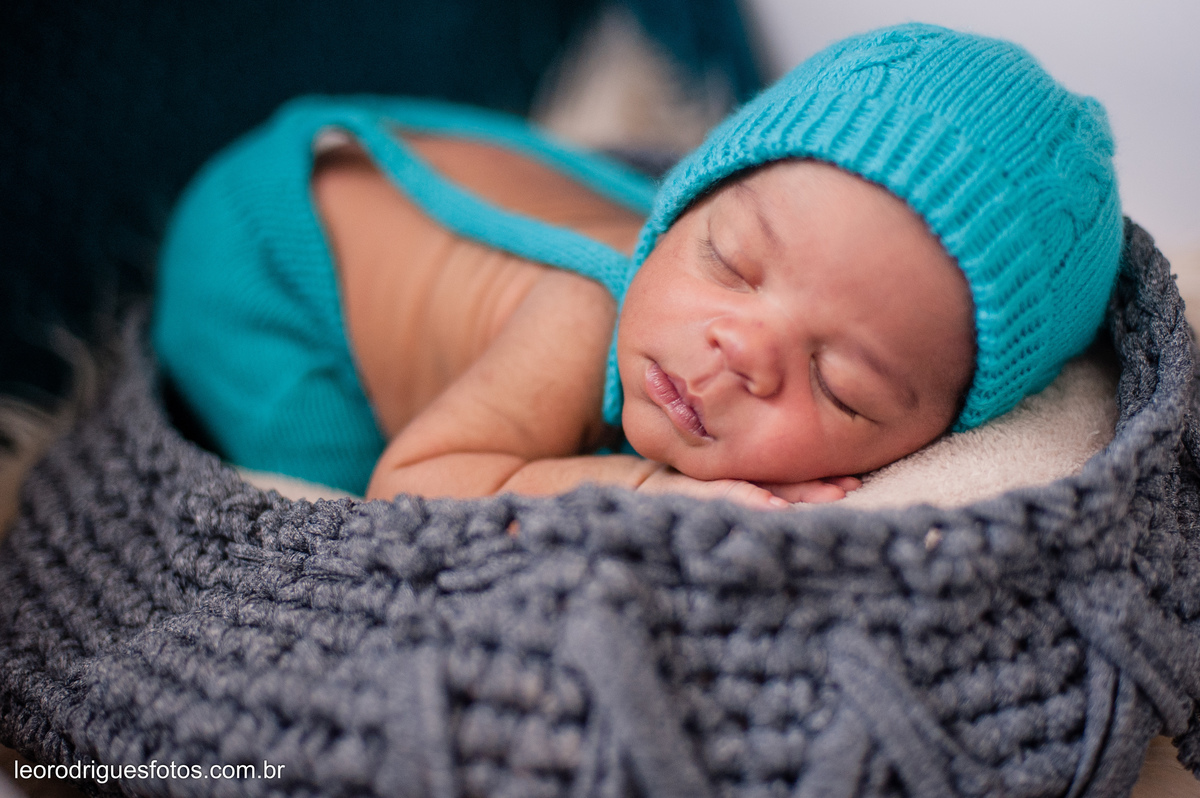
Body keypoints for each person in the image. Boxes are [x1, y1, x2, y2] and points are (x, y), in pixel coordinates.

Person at [152, 23, 1123, 509]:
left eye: (841, 386)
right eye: (730, 263)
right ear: (692, 196)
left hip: (381, 176)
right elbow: (414, 484)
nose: (736, 349)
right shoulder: (579, 319)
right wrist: (657, 489)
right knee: (327, 512)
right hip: (270, 254)